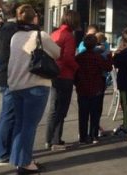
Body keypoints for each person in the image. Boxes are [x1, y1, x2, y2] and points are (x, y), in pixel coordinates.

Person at [7, 4, 60, 174]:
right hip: (36, 85)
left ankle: (18, 159)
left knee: (20, 124)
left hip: (16, 85)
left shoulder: (15, 36)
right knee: (29, 126)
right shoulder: (41, 36)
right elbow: (57, 53)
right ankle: (25, 163)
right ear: (35, 18)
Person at [45, 10, 81, 151]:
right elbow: (67, 58)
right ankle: (56, 140)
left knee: (53, 108)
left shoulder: (54, 34)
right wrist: (77, 68)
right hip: (65, 75)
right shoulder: (69, 36)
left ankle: (49, 139)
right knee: (61, 109)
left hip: (53, 73)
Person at [0, 4, 21, 165]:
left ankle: (0, 150)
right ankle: (3, 153)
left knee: (6, 114)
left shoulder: (6, 28)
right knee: (9, 115)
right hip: (10, 76)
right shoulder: (13, 29)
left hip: (6, 75)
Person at [74, 34, 112, 144]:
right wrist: (108, 55)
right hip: (96, 87)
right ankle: (93, 135)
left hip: (82, 88)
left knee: (83, 113)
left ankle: (83, 136)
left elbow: (75, 72)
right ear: (95, 44)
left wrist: (76, 83)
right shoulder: (97, 57)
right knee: (95, 113)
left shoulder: (79, 57)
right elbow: (108, 67)